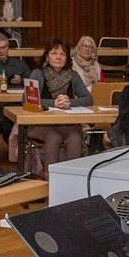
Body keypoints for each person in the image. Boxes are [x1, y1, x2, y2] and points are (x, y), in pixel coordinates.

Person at [28, 39, 90, 173]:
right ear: (47, 56)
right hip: (40, 124)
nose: (58, 57)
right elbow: (27, 100)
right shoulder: (37, 73)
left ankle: (71, 177)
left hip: (65, 123)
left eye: (62, 54)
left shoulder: (73, 75)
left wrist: (69, 102)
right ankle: (50, 179)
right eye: (54, 53)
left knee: (75, 137)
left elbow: (88, 99)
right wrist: (54, 103)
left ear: (67, 58)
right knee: (53, 137)